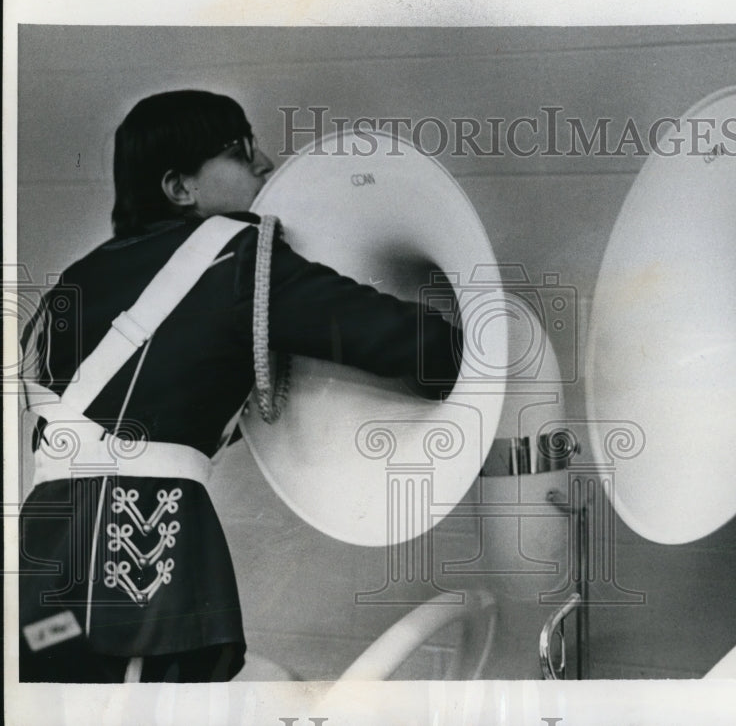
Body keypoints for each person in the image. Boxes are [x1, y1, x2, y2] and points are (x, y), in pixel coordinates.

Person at [18, 89, 463, 683]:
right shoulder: (235, 257)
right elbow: (406, 342)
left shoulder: (76, 279)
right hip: (146, 575)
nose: (265, 164)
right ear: (181, 188)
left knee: (67, 696)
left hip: (44, 583)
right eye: (239, 151)